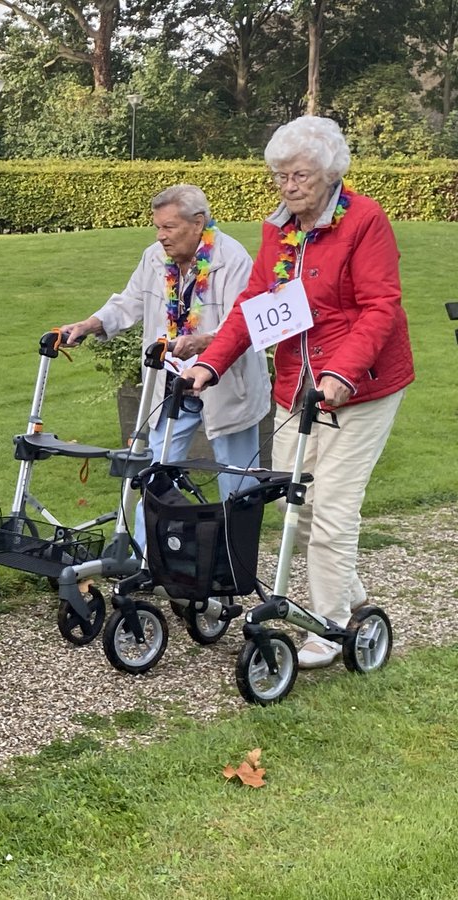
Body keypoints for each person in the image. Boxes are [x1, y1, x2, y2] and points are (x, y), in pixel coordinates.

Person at [185, 116, 414, 669]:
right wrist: (210, 364)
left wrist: (341, 373)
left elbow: (380, 307)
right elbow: (253, 305)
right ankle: (353, 602)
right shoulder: (279, 229)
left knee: (333, 508)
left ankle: (331, 629)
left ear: (331, 172)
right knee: (299, 504)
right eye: (280, 176)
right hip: (298, 388)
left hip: (362, 389)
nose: (288, 186)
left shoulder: (364, 221)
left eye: (299, 175)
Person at [56, 184, 271, 544]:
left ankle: (237, 559)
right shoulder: (155, 258)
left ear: (199, 222)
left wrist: (202, 342)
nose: (160, 236)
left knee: (237, 479)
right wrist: (89, 325)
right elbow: (128, 303)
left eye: (168, 227)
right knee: (154, 469)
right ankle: (144, 554)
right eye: (158, 227)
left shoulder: (232, 259)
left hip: (225, 382)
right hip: (173, 384)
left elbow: (245, 322)